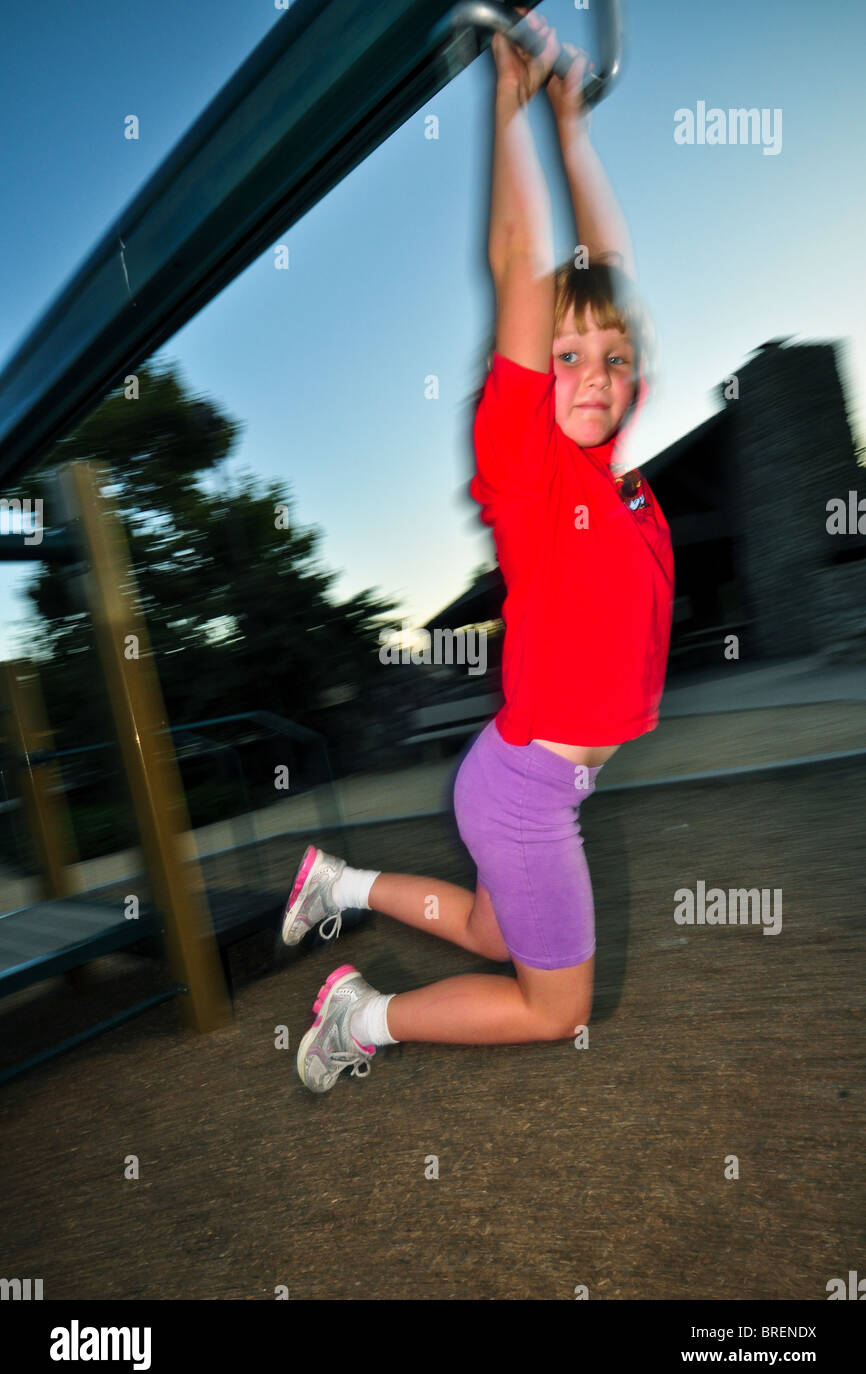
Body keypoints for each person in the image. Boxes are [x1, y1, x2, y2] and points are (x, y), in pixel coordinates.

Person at [283, 8, 675, 1094]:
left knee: (493, 932)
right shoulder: (528, 460)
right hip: (525, 789)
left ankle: (339, 883)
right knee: (554, 1007)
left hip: (520, 777)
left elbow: (611, 272)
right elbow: (521, 259)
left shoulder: (603, 461)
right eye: (566, 358)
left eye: (610, 359)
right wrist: (507, 106)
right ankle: (364, 1017)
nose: (591, 375)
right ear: (527, 369)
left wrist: (573, 125)